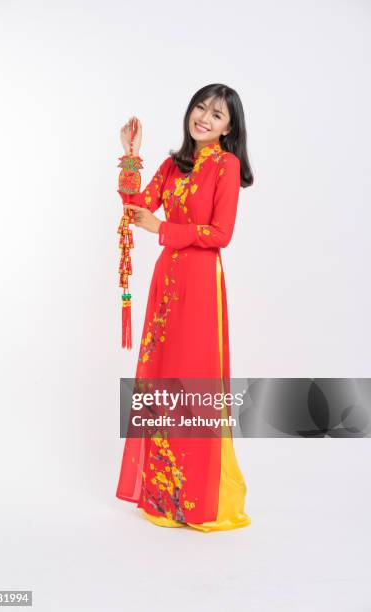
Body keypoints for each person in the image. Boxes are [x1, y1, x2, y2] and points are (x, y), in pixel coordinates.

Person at [115, 83, 254, 531]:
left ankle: (198, 500)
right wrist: (131, 154)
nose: (205, 119)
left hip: (199, 286)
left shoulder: (226, 166)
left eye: (217, 115)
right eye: (201, 108)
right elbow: (137, 207)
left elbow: (220, 234)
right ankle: (164, 497)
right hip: (167, 283)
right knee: (161, 378)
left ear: (229, 128)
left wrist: (163, 229)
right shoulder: (173, 166)